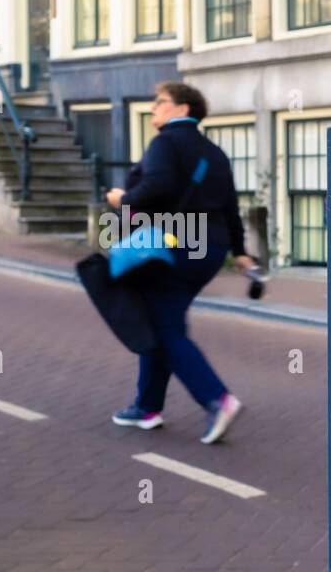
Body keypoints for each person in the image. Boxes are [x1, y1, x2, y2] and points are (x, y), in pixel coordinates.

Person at [104, 81, 256, 443]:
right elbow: (231, 208)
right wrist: (239, 251)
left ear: (183, 109)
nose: (154, 107)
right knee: (162, 319)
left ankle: (218, 399)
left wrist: (123, 199)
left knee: (165, 326)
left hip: (177, 244)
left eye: (160, 102)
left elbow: (156, 186)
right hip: (211, 248)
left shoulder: (165, 143)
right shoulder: (215, 153)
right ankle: (147, 407)